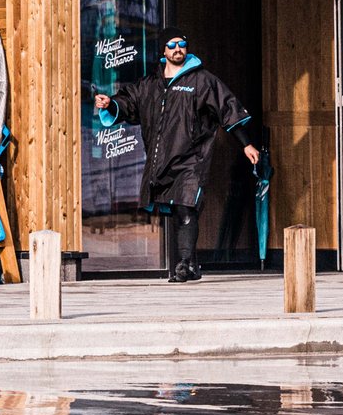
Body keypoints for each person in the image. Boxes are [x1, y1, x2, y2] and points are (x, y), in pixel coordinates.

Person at [93, 35, 257, 283]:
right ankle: (192, 265)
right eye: (172, 45)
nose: (178, 49)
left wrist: (246, 144)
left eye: (182, 44)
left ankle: (183, 265)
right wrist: (110, 103)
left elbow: (227, 108)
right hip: (163, 159)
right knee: (178, 212)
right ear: (163, 50)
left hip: (193, 158)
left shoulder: (201, 80)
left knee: (186, 207)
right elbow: (128, 103)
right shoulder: (150, 83)